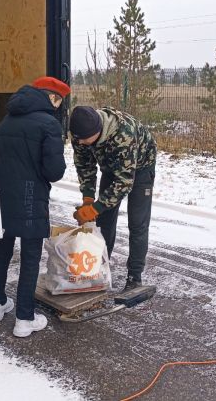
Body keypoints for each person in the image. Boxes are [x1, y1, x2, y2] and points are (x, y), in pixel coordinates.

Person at [0, 77, 70, 337]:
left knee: (3, 248)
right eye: (58, 101)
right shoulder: (49, 124)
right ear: (51, 98)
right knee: (30, 257)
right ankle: (24, 317)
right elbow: (54, 171)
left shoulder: (7, 119)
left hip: (1, 196)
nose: (57, 107)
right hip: (30, 197)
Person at [69, 105, 157, 291]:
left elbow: (124, 182)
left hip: (140, 169)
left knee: (137, 223)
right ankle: (99, 268)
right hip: (110, 167)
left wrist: (95, 208)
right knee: (104, 221)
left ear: (98, 131)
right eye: (78, 139)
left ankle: (134, 277)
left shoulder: (123, 135)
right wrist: (88, 198)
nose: (81, 143)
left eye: (85, 139)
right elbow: (85, 166)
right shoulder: (80, 135)